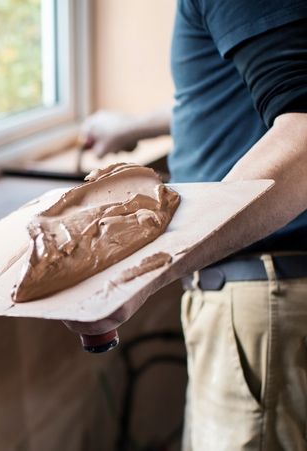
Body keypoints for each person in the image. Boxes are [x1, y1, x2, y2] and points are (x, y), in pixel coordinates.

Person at [72, 1, 307, 449]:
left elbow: (303, 133)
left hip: (267, 302)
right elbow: (247, 83)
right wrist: (132, 126)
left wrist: (140, 271)